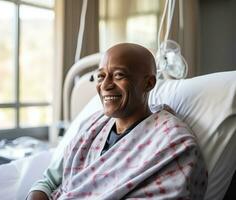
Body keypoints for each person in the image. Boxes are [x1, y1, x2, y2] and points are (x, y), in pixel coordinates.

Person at [27, 43, 208, 200]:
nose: (105, 85)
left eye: (119, 75)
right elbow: (48, 181)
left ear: (149, 83)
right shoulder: (91, 126)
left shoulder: (173, 143)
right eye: (101, 76)